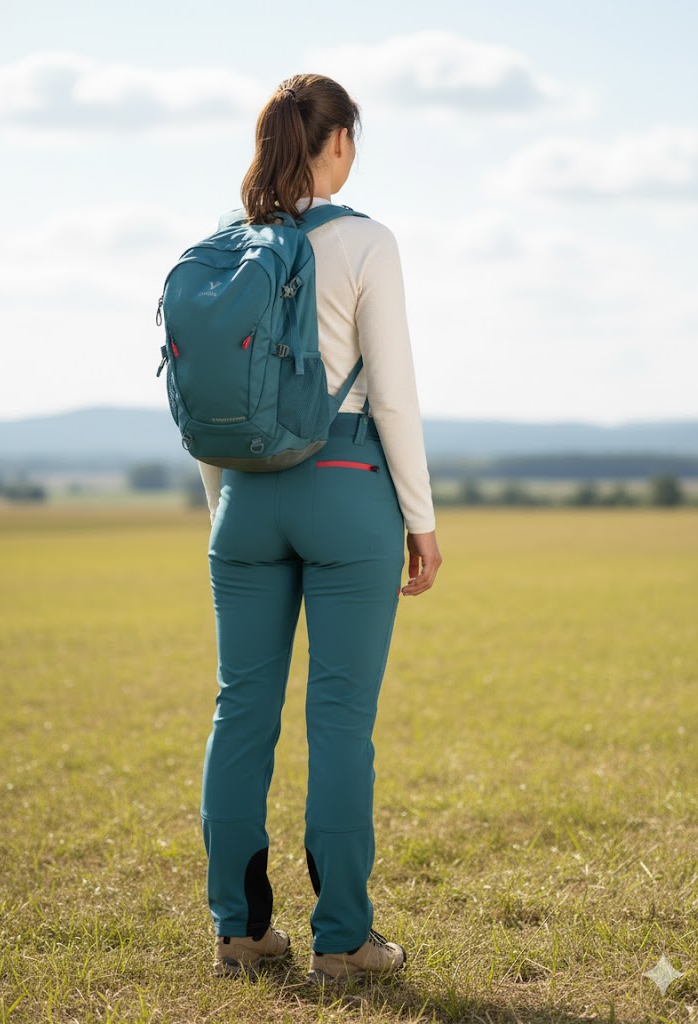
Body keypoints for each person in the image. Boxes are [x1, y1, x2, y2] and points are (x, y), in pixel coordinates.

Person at [198, 73, 441, 983]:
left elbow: (210, 406)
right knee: (339, 721)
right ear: (337, 141)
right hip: (346, 487)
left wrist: (225, 510)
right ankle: (343, 943)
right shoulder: (367, 242)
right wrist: (421, 519)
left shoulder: (225, 248)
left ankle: (239, 933)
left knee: (239, 713)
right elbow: (395, 395)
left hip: (244, 499)